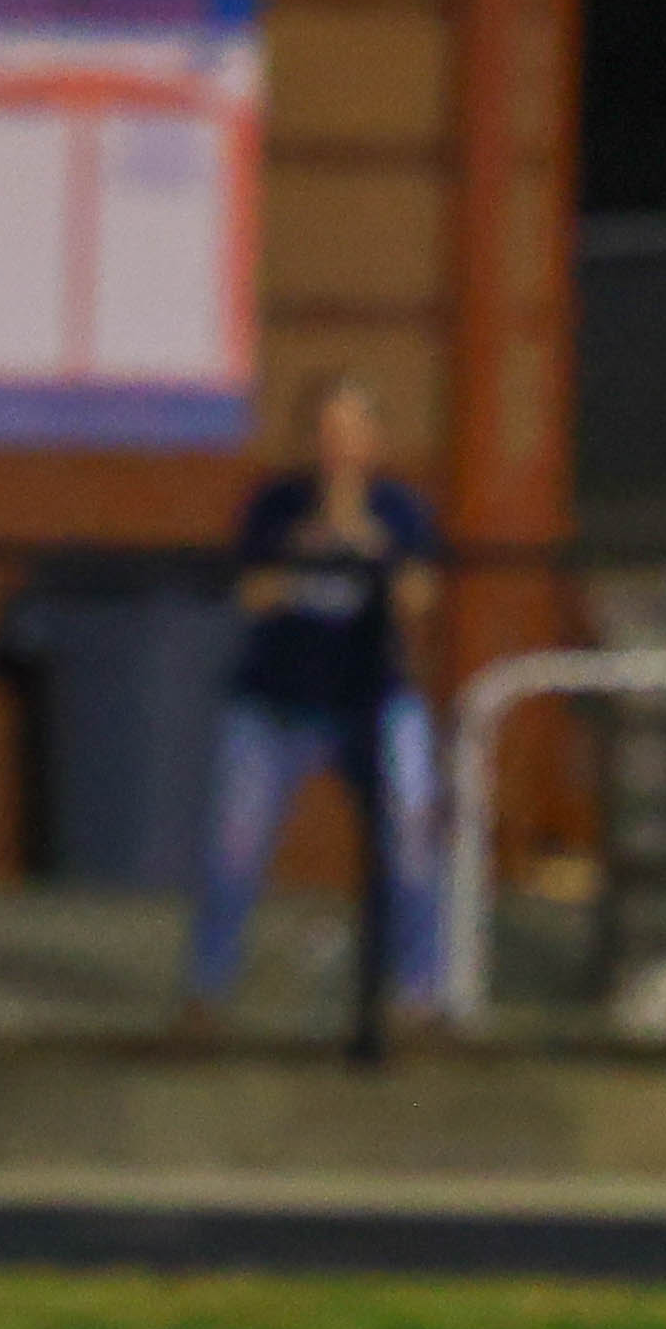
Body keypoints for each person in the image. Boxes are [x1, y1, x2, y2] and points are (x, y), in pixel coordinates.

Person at [183, 371, 449, 1025]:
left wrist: (361, 539)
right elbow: (249, 594)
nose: (339, 444)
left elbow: (418, 598)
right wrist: (306, 549)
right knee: (234, 843)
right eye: (327, 430)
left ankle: (417, 995)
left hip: (375, 701)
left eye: (352, 430)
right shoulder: (275, 504)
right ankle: (206, 992)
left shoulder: (399, 508)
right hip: (276, 703)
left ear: (375, 439)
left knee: (413, 835)